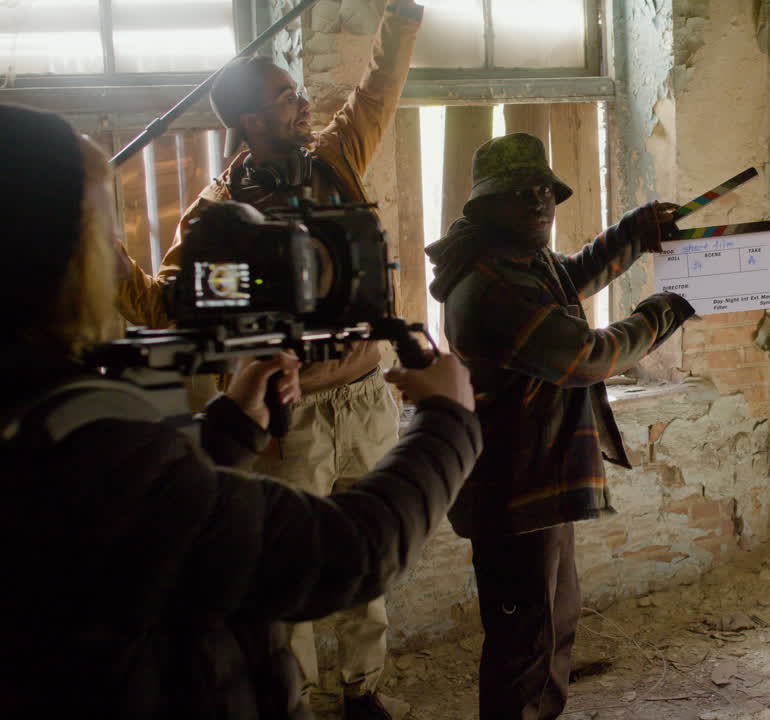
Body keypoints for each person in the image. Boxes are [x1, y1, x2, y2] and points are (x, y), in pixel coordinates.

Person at [0, 104, 480, 718]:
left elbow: (155, 532)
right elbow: (346, 555)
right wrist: (448, 420)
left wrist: (226, 432)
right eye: (102, 229)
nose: (114, 252)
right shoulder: (76, 435)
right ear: (49, 253)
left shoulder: (38, 414)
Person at [114, 2, 426, 715]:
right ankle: (301, 697)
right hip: (290, 413)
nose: (304, 105)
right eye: (287, 97)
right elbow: (164, 307)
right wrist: (104, 254)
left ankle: (362, 691)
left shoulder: (337, 162)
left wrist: (402, 20)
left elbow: (376, 91)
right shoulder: (214, 217)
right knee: (292, 567)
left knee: (368, 557)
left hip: (365, 395)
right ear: (251, 121)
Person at [426, 132, 697, 719]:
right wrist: (664, 310)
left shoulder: (512, 260)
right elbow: (587, 357)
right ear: (484, 206)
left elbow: (569, 278)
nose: (538, 201)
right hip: (514, 484)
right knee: (525, 640)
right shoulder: (490, 288)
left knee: (552, 623)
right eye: (519, 192)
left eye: (544, 189)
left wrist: (633, 232)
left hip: (538, 476)